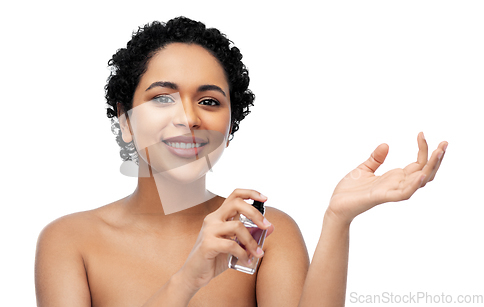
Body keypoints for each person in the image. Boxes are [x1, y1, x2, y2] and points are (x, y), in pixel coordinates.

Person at [34, 16, 448, 307]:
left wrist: (337, 220)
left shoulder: (265, 232)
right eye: (162, 98)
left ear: (229, 128)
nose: (189, 117)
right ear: (125, 119)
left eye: (209, 101)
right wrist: (189, 278)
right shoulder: (69, 241)